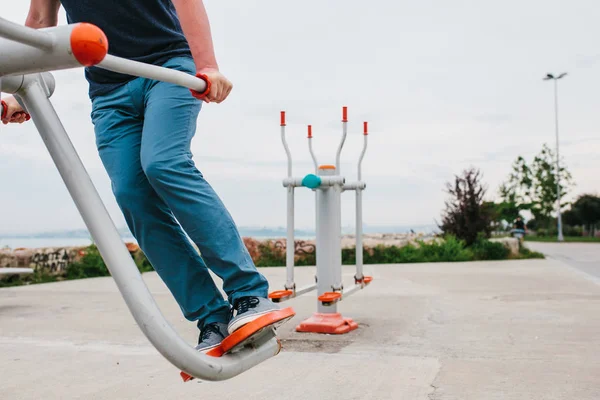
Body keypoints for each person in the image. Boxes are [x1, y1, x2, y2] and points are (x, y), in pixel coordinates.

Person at [1, 0, 280, 353]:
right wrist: (21, 92)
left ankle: (249, 294)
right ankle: (212, 316)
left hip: (168, 67)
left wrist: (208, 65)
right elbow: (40, 23)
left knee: (164, 164)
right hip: (108, 92)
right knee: (132, 194)